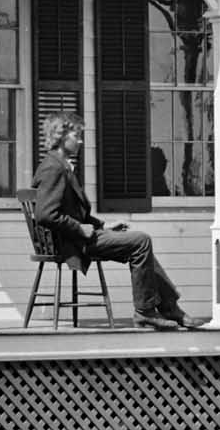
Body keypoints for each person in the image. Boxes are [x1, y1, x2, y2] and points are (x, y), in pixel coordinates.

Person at [29, 116, 198, 331]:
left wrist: (102, 225)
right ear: (60, 137)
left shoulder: (60, 166)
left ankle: (168, 307)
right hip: (73, 242)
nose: (80, 141)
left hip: (78, 236)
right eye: (76, 136)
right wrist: (80, 228)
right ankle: (147, 312)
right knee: (141, 241)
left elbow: (73, 212)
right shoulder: (53, 168)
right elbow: (45, 214)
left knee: (141, 246)